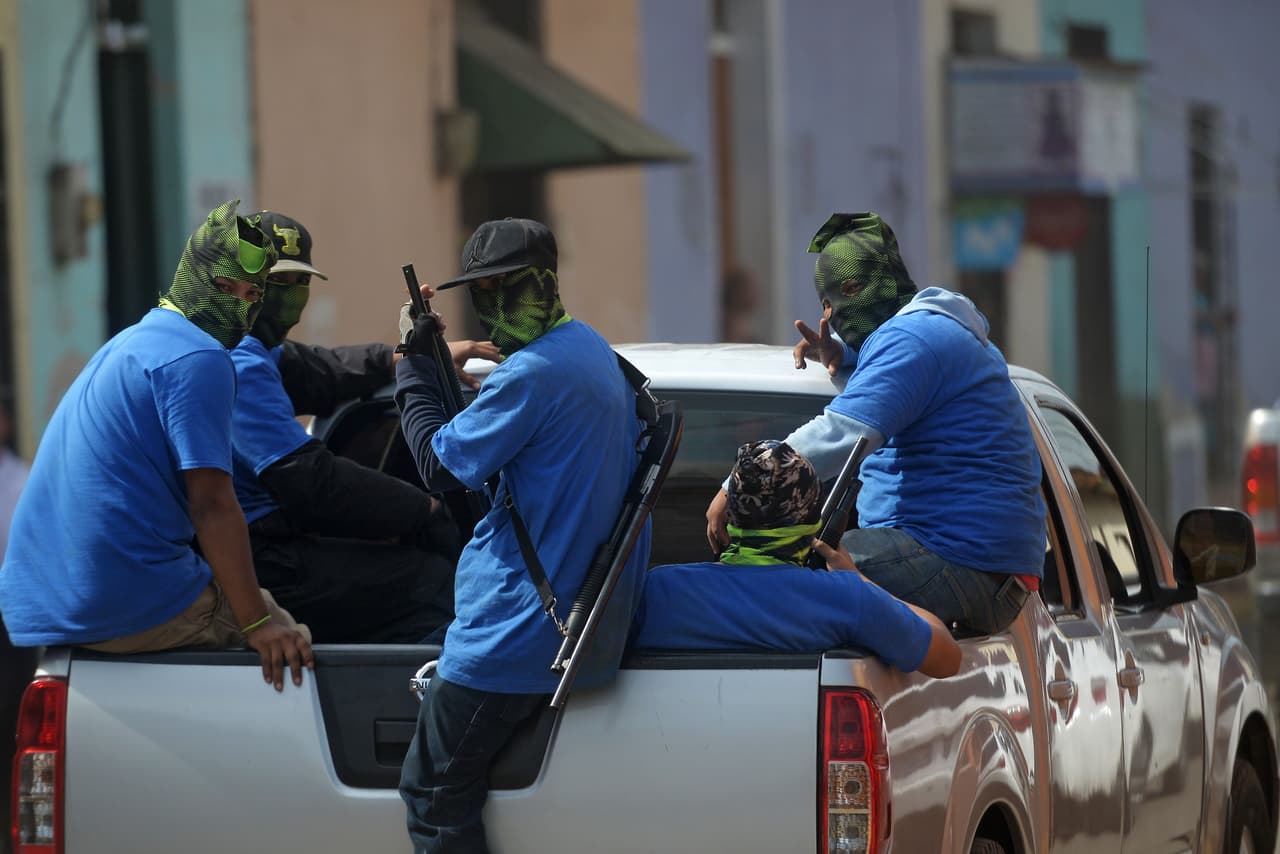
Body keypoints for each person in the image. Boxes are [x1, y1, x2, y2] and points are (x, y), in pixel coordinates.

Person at [394, 217, 650, 853]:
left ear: (544, 282)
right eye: (484, 290)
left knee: (432, 795)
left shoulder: (530, 374)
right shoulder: (589, 349)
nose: (496, 302)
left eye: (508, 286)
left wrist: (410, 364)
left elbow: (436, 465)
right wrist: (438, 373)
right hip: (554, 619)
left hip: (513, 633)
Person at [0, 200, 312, 692]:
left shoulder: (134, 340)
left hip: (41, 602)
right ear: (193, 275)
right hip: (119, 595)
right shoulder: (200, 356)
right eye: (224, 286)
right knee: (291, 641)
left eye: (252, 294)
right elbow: (211, 505)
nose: (238, 304)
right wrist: (257, 624)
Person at [706, 212, 1046, 636]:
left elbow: (843, 435)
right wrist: (849, 356)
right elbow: (900, 383)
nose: (831, 312)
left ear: (866, 285)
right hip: (977, 568)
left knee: (795, 577)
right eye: (824, 303)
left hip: (960, 561)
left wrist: (735, 485)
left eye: (840, 295)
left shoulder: (916, 339)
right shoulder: (926, 333)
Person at [228, 211, 499, 643]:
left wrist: (417, 351)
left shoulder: (255, 348)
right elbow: (311, 483)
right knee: (429, 583)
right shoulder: (234, 357)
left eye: (300, 283)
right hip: (254, 557)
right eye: (275, 282)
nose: (289, 296)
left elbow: (326, 370)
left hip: (270, 542)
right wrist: (423, 510)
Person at [636, 440, 960, 677]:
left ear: (728, 518)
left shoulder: (657, 590)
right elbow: (946, 657)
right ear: (810, 522)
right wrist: (858, 578)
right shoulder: (845, 598)